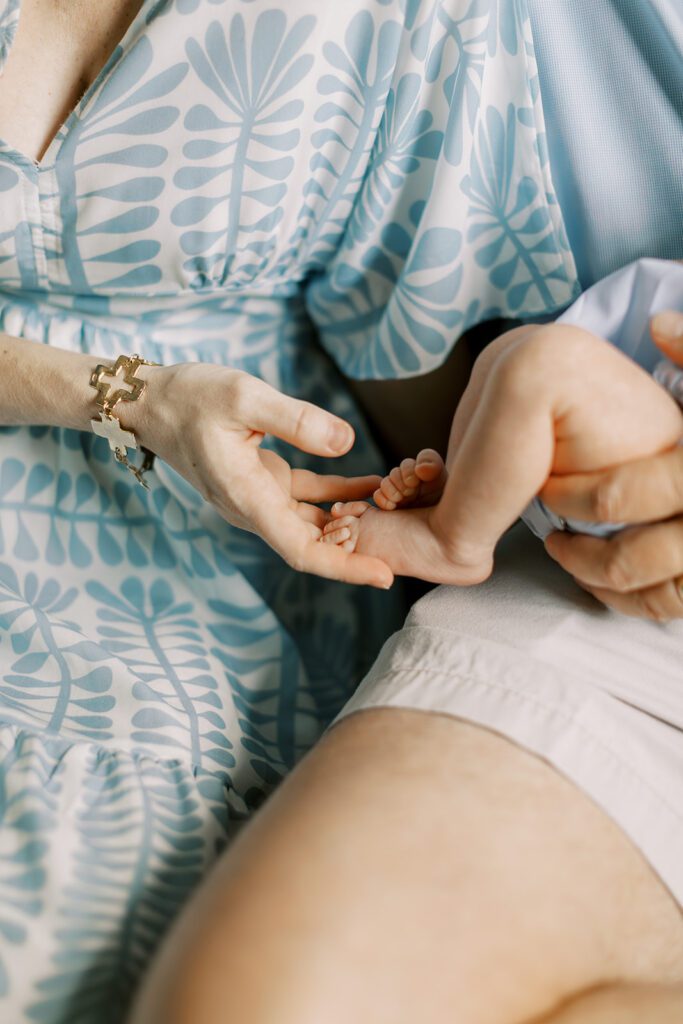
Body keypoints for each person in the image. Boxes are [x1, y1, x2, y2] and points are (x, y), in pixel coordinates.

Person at [0, 2, 681, 1023]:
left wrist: (438, 504)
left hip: (236, 551)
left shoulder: (417, 26)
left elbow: (436, 362)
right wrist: (134, 398)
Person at [319, 260, 683, 582]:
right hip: (639, 388)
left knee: (542, 367)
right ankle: (461, 495)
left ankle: (453, 545)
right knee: (512, 351)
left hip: (661, 458)